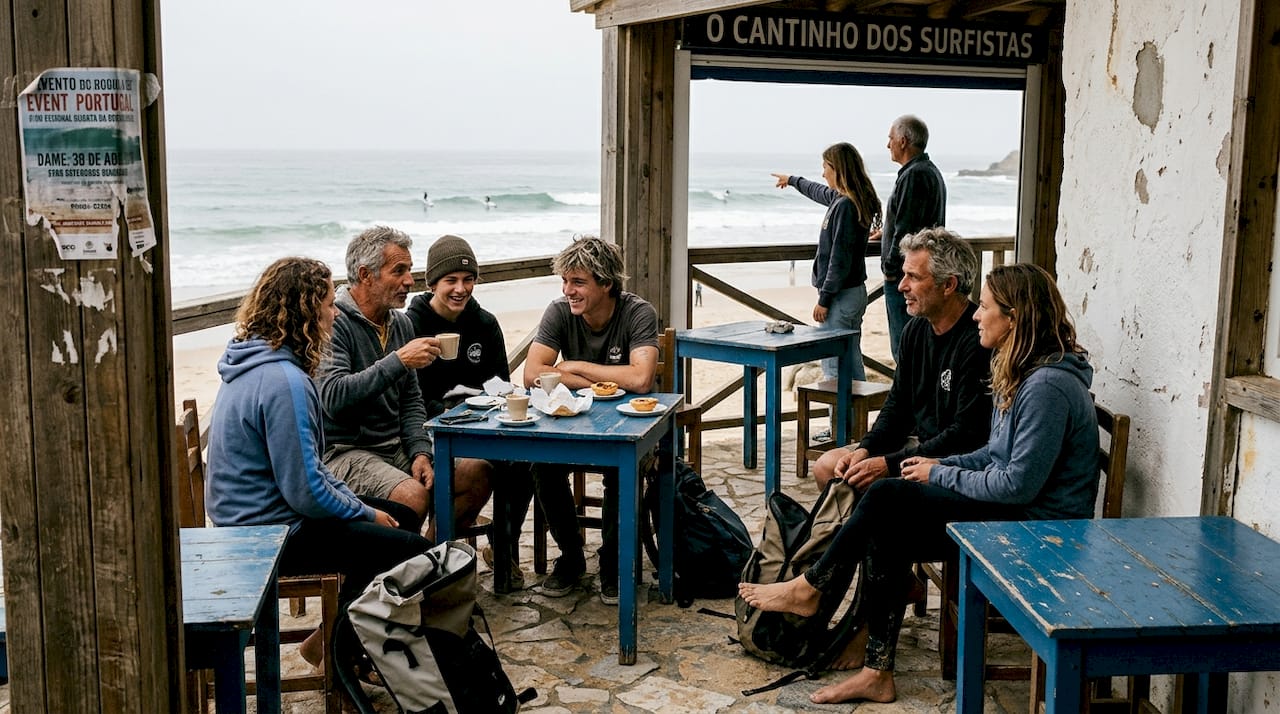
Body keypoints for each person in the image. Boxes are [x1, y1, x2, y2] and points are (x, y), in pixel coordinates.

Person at [740, 262, 1100, 705]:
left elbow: (1017, 486)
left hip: (1036, 530)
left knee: (888, 498)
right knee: (887, 516)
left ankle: (812, 587)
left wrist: (940, 472)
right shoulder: (1026, 372)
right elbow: (993, 453)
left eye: (984, 307)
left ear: (1015, 319)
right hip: (1015, 512)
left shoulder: (1047, 386)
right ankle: (875, 670)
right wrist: (927, 463)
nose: (975, 315)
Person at [205, 256, 431, 669]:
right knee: (413, 552)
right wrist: (365, 511)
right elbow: (306, 491)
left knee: (401, 515)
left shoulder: (255, 361)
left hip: (257, 518)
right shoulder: (284, 382)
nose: (333, 312)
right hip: (267, 534)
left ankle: (331, 640)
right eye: (328, 303)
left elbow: (308, 473)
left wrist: (366, 510)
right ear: (306, 311)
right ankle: (338, 656)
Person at [318, 225, 485, 540]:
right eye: (399, 271)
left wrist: (420, 451)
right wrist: (399, 361)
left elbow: (411, 401)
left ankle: (430, 564)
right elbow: (334, 397)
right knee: (412, 495)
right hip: (343, 451)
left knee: (476, 470)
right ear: (366, 275)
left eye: (409, 269)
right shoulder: (335, 322)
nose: (410, 280)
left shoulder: (401, 323)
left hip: (395, 445)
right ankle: (403, 572)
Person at [523, 235, 659, 604]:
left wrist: (575, 366)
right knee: (542, 464)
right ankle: (571, 556)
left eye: (578, 282)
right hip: (575, 425)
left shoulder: (638, 312)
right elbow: (532, 373)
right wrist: (606, 378)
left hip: (629, 429)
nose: (568, 290)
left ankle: (613, 563)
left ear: (606, 283)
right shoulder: (558, 311)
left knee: (620, 469)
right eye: (565, 281)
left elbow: (641, 379)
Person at [813, 227, 991, 491]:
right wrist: (866, 449)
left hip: (953, 458)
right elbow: (897, 406)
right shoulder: (915, 330)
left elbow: (966, 434)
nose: (901, 286)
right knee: (828, 466)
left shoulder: (979, 338)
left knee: (877, 486)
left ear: (949, 285)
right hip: (915, 443)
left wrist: (890, 464)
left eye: (913, 277)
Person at [405, 234, 531, 592]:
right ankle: (429, 567)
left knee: (526, 462)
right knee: (480, 472)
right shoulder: (412, 324)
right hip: (430, 432)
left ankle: (504, 547)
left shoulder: (484, 323)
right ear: (432, 283)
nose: (461, 289)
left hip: (482, 426)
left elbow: (500, 384)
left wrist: (494, 403)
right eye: (451, 281)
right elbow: (408, 396)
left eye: (468, 279)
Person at [772, 142, 881, 383]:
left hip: (841, 297)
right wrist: (792, 180)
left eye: (825, 167)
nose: (823, 173)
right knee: (851, 363)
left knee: (833, 368)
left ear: (838, 169)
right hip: (852, 294)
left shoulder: (844, 206)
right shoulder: (847, 200)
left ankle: (839, 422)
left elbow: (838, 259)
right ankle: (854, 421)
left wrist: (824, 299)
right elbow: (817, 191)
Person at [876, 115, 946, 364]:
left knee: (906, 349)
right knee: (915, 346)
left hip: (908, 276)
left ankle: (912, 401)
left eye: (890, 139)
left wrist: (892, 271)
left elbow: (907, 229)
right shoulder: (927, 171)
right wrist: (885, 231)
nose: (888, 145)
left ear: (903, 141)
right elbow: (912, 221)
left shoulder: (914, 175)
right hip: (920, 273)